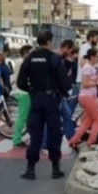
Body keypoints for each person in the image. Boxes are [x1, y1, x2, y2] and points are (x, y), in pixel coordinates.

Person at [16, 30, 71, 180]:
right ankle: (55, 169)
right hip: (51, 100)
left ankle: (30, 169)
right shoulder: (54, 58)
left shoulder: (30, 58)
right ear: (48, 42)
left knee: (35, 134)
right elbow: (64, 82)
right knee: (54, 133)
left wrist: (33, 91)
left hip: (37, 100)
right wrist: (63, 91)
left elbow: (21, 82)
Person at [12, 44, 34, 147]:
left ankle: (29, 136)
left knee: (26, 117)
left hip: (22, 92)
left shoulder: (19, 61)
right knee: (23, 117)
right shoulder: (22, 62)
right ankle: (16, 140)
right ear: (26, 53)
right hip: (24, 93)